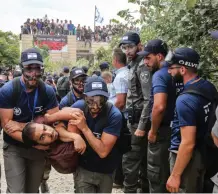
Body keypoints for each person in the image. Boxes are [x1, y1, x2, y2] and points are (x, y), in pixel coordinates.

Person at [0, 48, 59, 193]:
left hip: (39, 148)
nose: (33, 73)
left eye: (37, 68)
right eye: (29, 68)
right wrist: (33, 140)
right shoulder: (8, 90)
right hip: (15, 147)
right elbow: (7, 125)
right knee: (16, 191)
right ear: (22, 68)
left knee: (32, 190)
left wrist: (39, 141)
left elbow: (55, 120)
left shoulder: (48, 91)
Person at [166, 47, 217, 193]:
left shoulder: (185, 100)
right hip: (203, 152)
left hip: (187, 159)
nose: (169, 71)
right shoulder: (208, 87)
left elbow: (187, 142)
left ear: (182, 70)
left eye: (172, 68)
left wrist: (175, 175)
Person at [70, 76, 123, 193]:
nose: (95, 106)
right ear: (85, 97)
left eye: (101, 101)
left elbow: (103, 152)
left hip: (106, 169)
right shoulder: (79, 107)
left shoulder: (114, 115)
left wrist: (84, 128)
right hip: (84, 167)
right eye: (91, 101)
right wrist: (75, 136)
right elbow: (58, 123)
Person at [138, 39, 176, 192]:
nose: (145, 61)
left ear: (159, 56)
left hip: (162, 132)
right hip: (177, 131)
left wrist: (153, 131)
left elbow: (159, 107)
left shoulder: (160, 75)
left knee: (157, 177)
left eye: (148, 57)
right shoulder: (177, 72)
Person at [119, 31, 151, 193]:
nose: (127, 51)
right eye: (124, 48)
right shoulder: (133, 64)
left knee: (130, 160)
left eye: (130, 47)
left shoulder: (142, 66)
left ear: (140, 46)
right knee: (139, 160)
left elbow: (148, 99)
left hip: (139, 122)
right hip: (133, 119)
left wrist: (142, 126)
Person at [110, 48, 129, 187]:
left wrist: (111, 116)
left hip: (121, 116)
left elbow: (121, 102)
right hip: (125, 115)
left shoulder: (121, 76)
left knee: (118, 148)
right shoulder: (127, 73)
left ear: (115, 60)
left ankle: (119, 179)